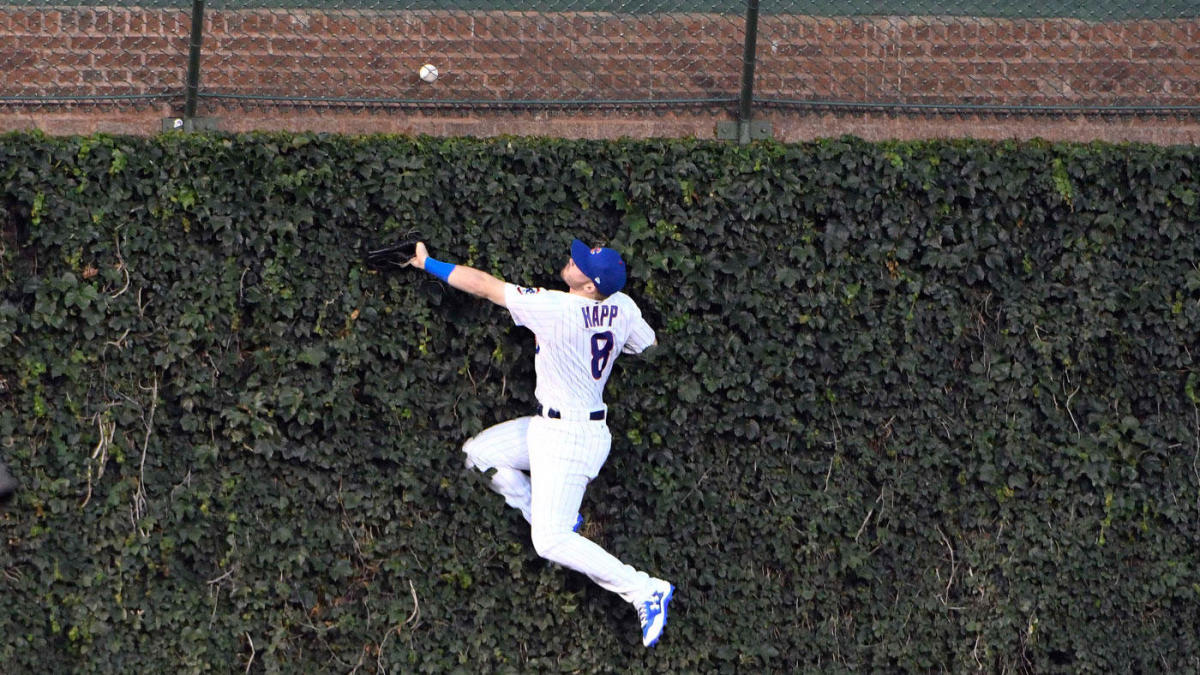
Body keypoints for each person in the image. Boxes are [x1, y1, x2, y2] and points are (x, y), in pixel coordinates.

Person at [409, 238, 674, 648]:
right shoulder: (623, 306)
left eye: (583, 264)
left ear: (590, 286)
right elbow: (649, 346)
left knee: (548, 542)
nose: (573, 259)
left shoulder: (557, 307)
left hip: (569, 439)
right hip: (554, 426)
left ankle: (643, 588)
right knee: (479, 454)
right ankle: (543, 510)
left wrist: (428, 264)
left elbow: (484, 284)